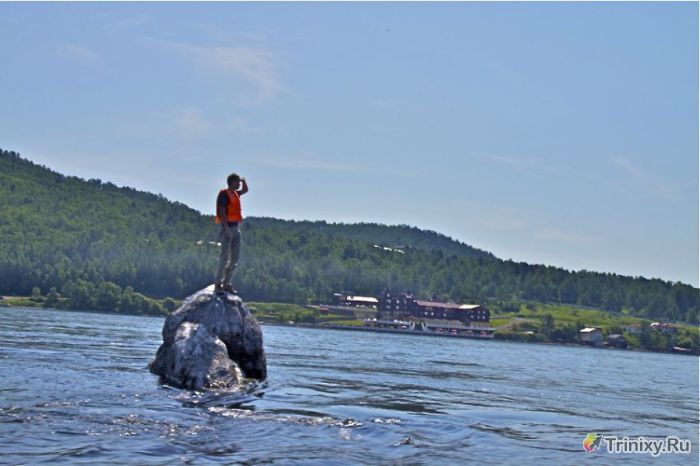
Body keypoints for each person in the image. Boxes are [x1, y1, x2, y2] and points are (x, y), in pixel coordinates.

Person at [214, 173, 248, 294]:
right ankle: (218, 283)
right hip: (227, 228)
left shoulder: (236, 194)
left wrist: (244, 181)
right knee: (224, 257)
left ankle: (227, 282)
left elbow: (245, 190)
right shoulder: (224, 194)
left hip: (236, 228)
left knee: (235, 258)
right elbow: (222, 212)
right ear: (232, 182)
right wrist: (226, 228)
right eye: (237, 182)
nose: (239, 184)